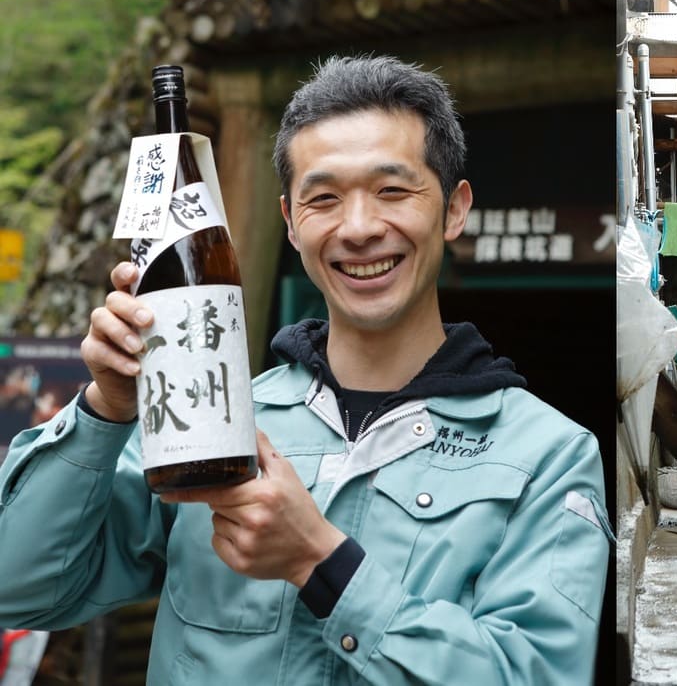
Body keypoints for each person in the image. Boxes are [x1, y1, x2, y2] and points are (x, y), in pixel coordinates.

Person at [0, 54, 613, 684]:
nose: (358, 228)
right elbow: (18, 589)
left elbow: (537, 673)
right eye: (324, 199)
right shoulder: (212, 420)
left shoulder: (549, 456)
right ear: (292, 223)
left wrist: (323, 564)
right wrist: (106, 410)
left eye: (392, 191)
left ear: (454, 209)